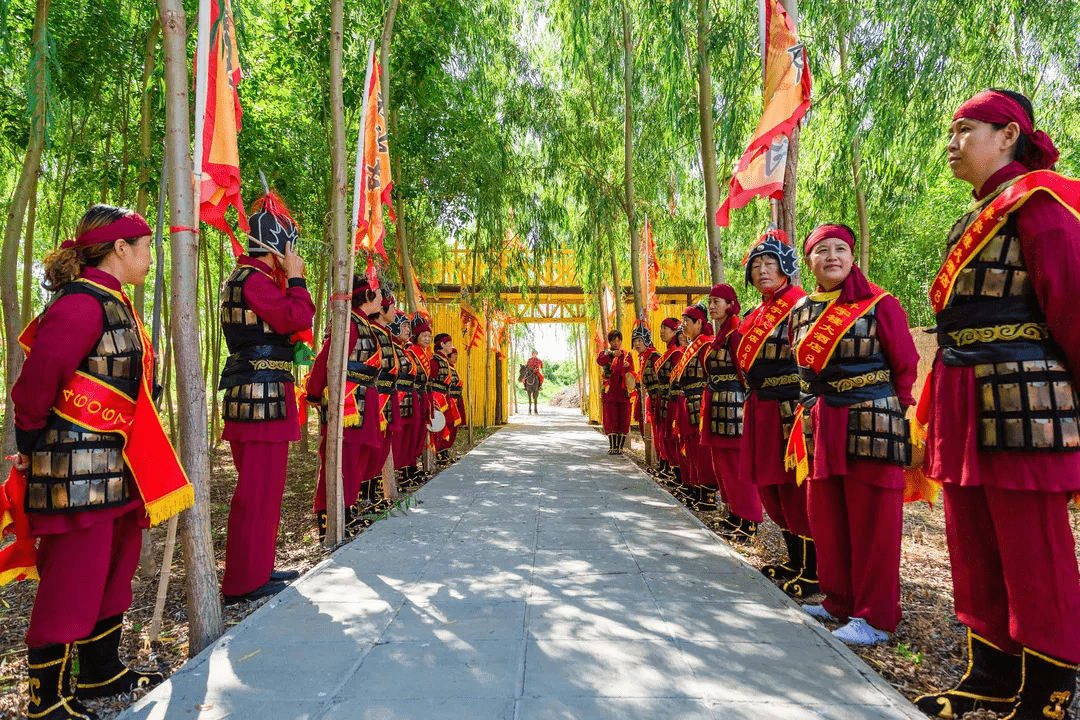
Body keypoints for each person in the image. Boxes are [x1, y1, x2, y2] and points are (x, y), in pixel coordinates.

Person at [914, 89, 1080, 720]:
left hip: (1023, 394)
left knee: (1033, 546)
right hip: (962, 393)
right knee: (972, 537)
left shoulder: (1042, 204)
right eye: (950, 132)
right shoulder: (972, 218)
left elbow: (1072, 306)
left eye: (964, 130)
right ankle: (989, 672)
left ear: (1009, 134)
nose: (952, 144)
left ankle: (1048, 695)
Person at [8, 205, 193, 718]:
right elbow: (36, 384)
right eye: (146, 245)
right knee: (73, 579)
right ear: (120, 249)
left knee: (115, 568)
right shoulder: (80, 305)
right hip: (75, 470)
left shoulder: (117, 302)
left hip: (119, 465)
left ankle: (98, 671)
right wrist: (28, 448)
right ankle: (45, 699)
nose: (151, 256)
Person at [786, 223, 918, 646]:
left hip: (872, 419)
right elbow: (802, 371)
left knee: (873, 521)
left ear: (852, 255)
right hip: (823, 422)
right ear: (808, 262)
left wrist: (898, 417)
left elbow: (905, 366)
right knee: (828, 515)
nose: (832, 257)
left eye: (840, 248)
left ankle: (875, 616)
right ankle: (839, 600)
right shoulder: (802, 311)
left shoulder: (880, 304)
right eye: (821, 250)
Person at [218, 192, 314, 603]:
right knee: (256, 492)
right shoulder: (253, 279)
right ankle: (243, 581)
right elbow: (296, 316)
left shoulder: (249, 279)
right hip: (260, 399)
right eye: (290, 247)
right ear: (277, 246)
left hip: (265, 395)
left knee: (265, 490)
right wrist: (296, 279)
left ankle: (257, 568)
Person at [735, 230, 814, 594]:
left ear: (785, 267)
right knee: (771, 487)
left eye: (770, 263)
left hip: (789, 406)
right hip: (760, 406)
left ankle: (812, 569)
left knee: (794, 487)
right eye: (756, 265)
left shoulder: (801, 305)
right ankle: (793, 560)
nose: (763, 270)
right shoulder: (755, 314)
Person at [305, 275, 383, 540]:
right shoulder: (349, 324)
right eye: (377, 294)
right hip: (348, 402)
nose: (382, 300)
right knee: (340, 460)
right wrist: (314, 393)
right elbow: (326, 359)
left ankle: (347, 513)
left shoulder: (364, 324)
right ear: (368, 297)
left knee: (356, 461)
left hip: (364, 400)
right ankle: (330, 520)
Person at [702, 284, 762, 541]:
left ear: (730, 304)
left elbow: (745, 374)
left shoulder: (736, 335)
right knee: (723, 465)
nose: (712, 306)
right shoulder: (721, 336)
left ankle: (749, 520)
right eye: (710, 301)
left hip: (734, 408)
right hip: (717, 405)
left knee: (737, 465)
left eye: (717, 301)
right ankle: (736, 514)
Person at [357, 290, 400, 513]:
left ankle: (370, 496)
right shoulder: (367, 329)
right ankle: (362, 499)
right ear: (382, 311)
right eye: (391, 307)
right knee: (369, 450)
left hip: (383, 394)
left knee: (380, 450)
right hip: (370, 395)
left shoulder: (382, 332)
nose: (394, 311)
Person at [669, 303, 715, 508]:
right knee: (690, 447)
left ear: (699, 323)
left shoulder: (706, 345)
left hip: (700, 401)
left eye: (687, 321)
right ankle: (695, 488)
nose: (683, 325)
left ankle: (707, 495)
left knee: (700, 449)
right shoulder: (691, 346)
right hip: (687, 401)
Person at [403, 315, 434, 486]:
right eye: (424, 336)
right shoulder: (411, 350)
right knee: (412, 434)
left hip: (423, 396)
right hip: (414, 394)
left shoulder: (425, 353)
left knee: (419, 435)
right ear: (417, 336)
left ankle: (412, 465)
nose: (427, 339)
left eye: (429, 336)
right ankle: (405, 468)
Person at [652, 318, 684, 482]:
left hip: (672, 399)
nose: (662, 331)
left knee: (672, 436)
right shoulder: (667, 353)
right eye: (661, 327)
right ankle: (672, 470)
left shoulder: (677, 353)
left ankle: (679, 476)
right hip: (663, 397)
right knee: (664, 434)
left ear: (675, 332)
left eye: (666, 328)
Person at [390, 312, 419, 487]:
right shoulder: (390, 346)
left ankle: (404, 470)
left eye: (409, 326)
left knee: (408, 439)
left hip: (408, 396)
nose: (408, 330)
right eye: (404, 326)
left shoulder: (404, 350)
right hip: (397, 396)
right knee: (396, 439)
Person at [596, 329, 635, 454]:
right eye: (614, 340)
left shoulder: (627, 355)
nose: (616, 343)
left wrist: (626, 366)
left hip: (623, 391)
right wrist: (613, 355)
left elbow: (633, 372)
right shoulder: (605, 353)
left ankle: (620, 447)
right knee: (611, 418)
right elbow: (600, 361)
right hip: (610, 391)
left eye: (619, 340)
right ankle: (612, 446)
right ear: (610, 341)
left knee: (623, 418)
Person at [631, 322, 661, 463]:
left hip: (655, 396)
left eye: (639, 340)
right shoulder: (642, 357)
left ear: (646, 340)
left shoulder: (654, 356)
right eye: (635, 341)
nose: (637, 344)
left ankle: (659, 459)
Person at [430, 333, 455, 464]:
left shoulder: (445, 360)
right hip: (438, 396)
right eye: (449, 343)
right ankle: (438, 453)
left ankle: (443, 451)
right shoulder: (435, 361)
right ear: (442, 344)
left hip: (445, 396)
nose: (451, 345)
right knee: (438, 426)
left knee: (447, 424)